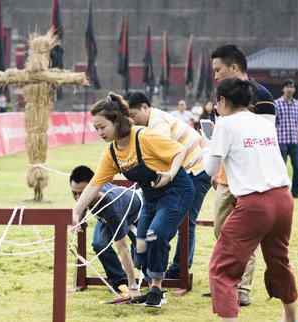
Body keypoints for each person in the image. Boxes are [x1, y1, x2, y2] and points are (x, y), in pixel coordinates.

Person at [72, 93, 194, 308]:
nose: (99, 133)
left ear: (117, 121)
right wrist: (76, 212)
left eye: (102, 127)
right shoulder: (112, 152)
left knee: (155, 235)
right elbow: (94, 185)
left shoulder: (144, 136)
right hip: (150, 197)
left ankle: (156, 289)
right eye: (96, 129)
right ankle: (147, 283)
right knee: (141, 245)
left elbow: (179, 150)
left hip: (176, 190)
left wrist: (171, 174)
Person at [204, 78, 298, 322]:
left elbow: (210, 169)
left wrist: (210, 142)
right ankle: (291, 318)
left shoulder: (224, 125)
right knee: (279, 261)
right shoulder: (264, 122)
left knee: (222, 268)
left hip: (254, 203)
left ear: (223, 101)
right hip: (283, 199)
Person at [208, 44, 277, 306]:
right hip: (225, 175)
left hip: (251, 179)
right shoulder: (221, 95)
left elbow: (267, 138)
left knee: (245, 234)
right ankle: (227, 280)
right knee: (221, 230)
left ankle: (241, 289)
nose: (215, 76)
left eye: (218, 70)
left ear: (234, 68)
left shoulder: (263, 96)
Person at [126, 91, 211, 278]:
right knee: (170, 219)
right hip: (184, 171)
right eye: (129, 117)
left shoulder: (158, 124)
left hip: (197, 170)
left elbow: (162, 153)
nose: (132, 120)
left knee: (186, 220)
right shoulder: (150, 121)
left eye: (133, 115)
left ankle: (179, 268)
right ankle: (154, 263)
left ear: (145, 107)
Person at [69, 165, 142, 295]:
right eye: (74, 193)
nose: (78, 198)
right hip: (108, 216)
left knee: (141, 257)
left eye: (82, 193)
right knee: (99, 244)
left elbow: (122, 249)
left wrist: (133, 286)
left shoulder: (112, 207)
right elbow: (81, 204)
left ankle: (135, 281)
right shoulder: (91, 189)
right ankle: (119, 281)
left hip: (135, 214)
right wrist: (78, 220)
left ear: (92, 188)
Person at [275, 79, 298, 198]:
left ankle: (296, 191)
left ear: (294, 89)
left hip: (295, 141)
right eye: (287, 87)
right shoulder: (276, 104)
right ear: (283, 89)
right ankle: (280, 193)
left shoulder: (297, 105)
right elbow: (273, 123)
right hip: (281, 141)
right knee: (280, 169)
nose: (289, 89)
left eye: (292, 87)